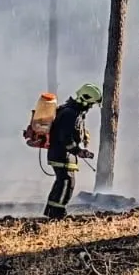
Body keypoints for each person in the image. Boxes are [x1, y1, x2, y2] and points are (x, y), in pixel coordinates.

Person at [43, 83, 102, 220]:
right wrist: (78, 151)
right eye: (91, 103)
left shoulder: (70, 111)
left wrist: (83, 135)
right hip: (61, 155)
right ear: (85, 99)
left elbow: (70, 132)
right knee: (66, 183)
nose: (91, 107)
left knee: (63, 182)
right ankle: (57, 213)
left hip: (61, 154)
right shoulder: (71, 114)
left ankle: (53, 211)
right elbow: (65, 138)